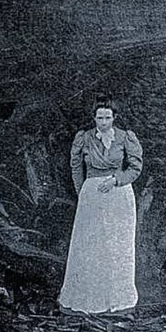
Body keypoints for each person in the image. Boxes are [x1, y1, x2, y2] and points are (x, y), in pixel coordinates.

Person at [59, 96, 143, 314]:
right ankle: (90, 299)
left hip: (119, 194)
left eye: (107, 117)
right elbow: (76, 167)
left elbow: (135, 168)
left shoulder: (125, 138)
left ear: (114, 117)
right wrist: (84, 193)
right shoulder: (84, 138)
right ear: (94, 118)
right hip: (92, 195)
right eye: (99, 117)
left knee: (117, 246)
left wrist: (117, 180)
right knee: (91, 246)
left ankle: (117, 298)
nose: (103, 122)